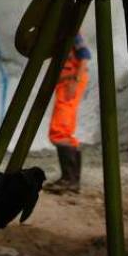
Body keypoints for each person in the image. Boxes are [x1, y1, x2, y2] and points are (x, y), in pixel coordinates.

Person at [46, 35, 91, 193]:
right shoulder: (67, 32)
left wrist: (76, 80)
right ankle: (72, 181)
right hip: (67, 82)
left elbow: (85, 55)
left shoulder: (72, 31)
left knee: (59, 131)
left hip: (70, 82)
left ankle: (69, 180)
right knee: (66, 131)